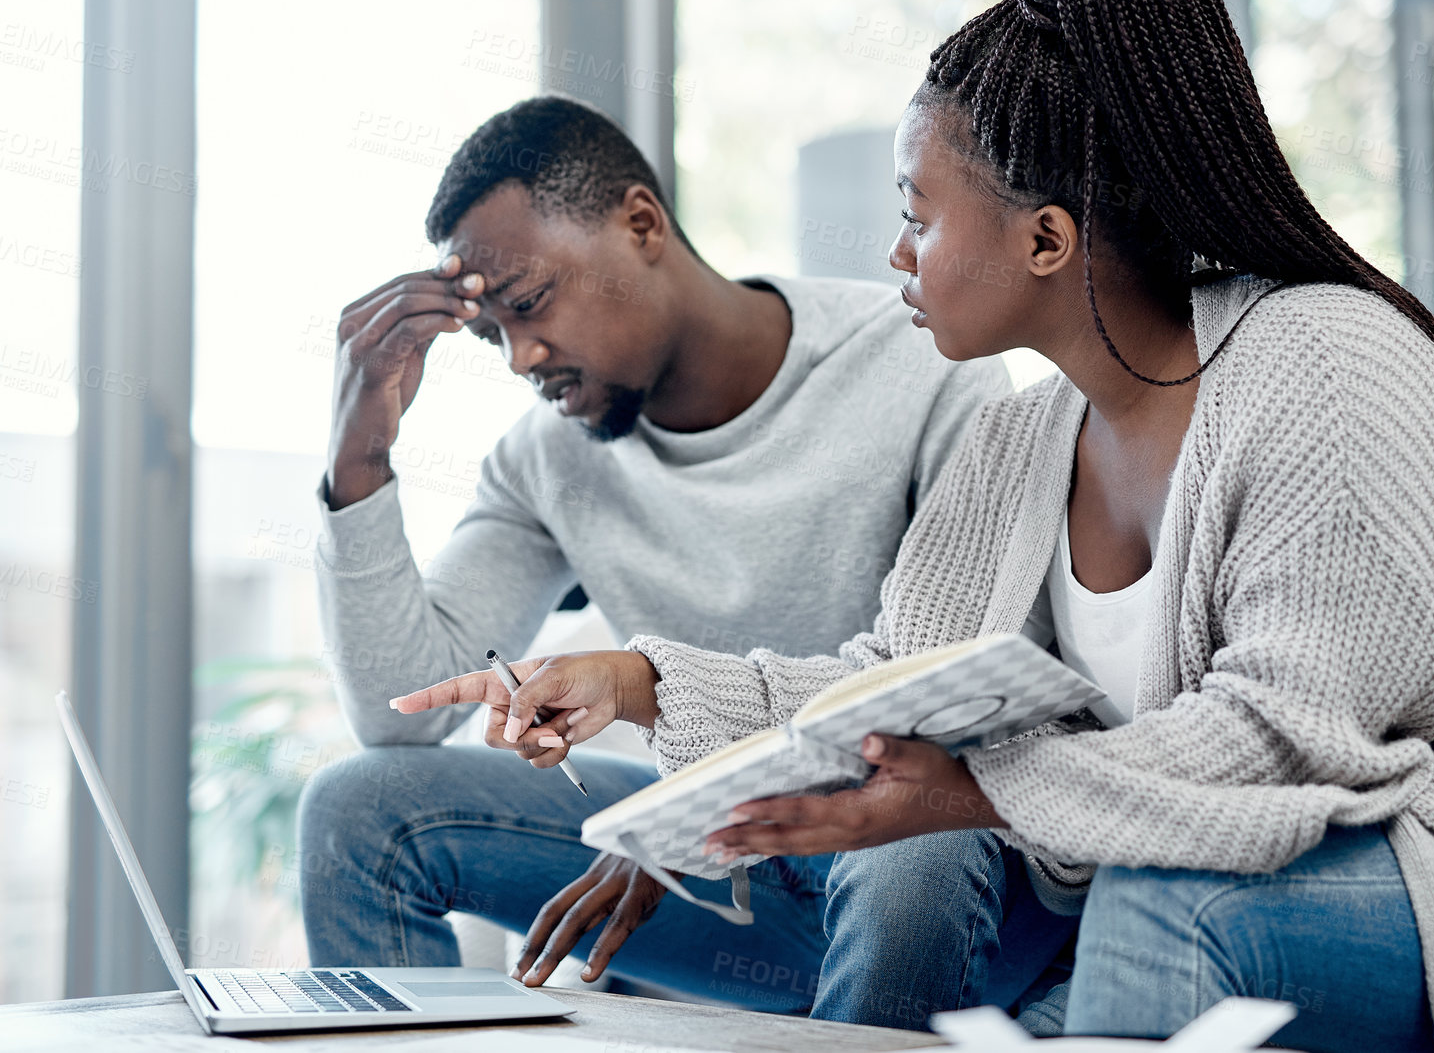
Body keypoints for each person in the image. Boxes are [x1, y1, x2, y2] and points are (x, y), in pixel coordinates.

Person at [395, 0, 1434, 1053]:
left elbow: (1281, 735)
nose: (894, 250)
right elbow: (887, 675)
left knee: (1161, 897)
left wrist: (973, 793)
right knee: (1036, 866)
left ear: (1044, 237)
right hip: (1321, 823)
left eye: (918, 213)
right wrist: (637, 681)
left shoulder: (1325, 362)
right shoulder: (1020, 442)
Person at [296, 95, 1079, 1031]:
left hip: (925, 872)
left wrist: (685, 810)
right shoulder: (546, 456)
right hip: (723, 874)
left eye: (530, 304)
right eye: (491, 332)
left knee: (910, 830)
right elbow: (403, 709)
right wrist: (359, 459)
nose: (518, 357)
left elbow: (949, 705)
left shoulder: (917, 366)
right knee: (358, 807)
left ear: (640, 224)